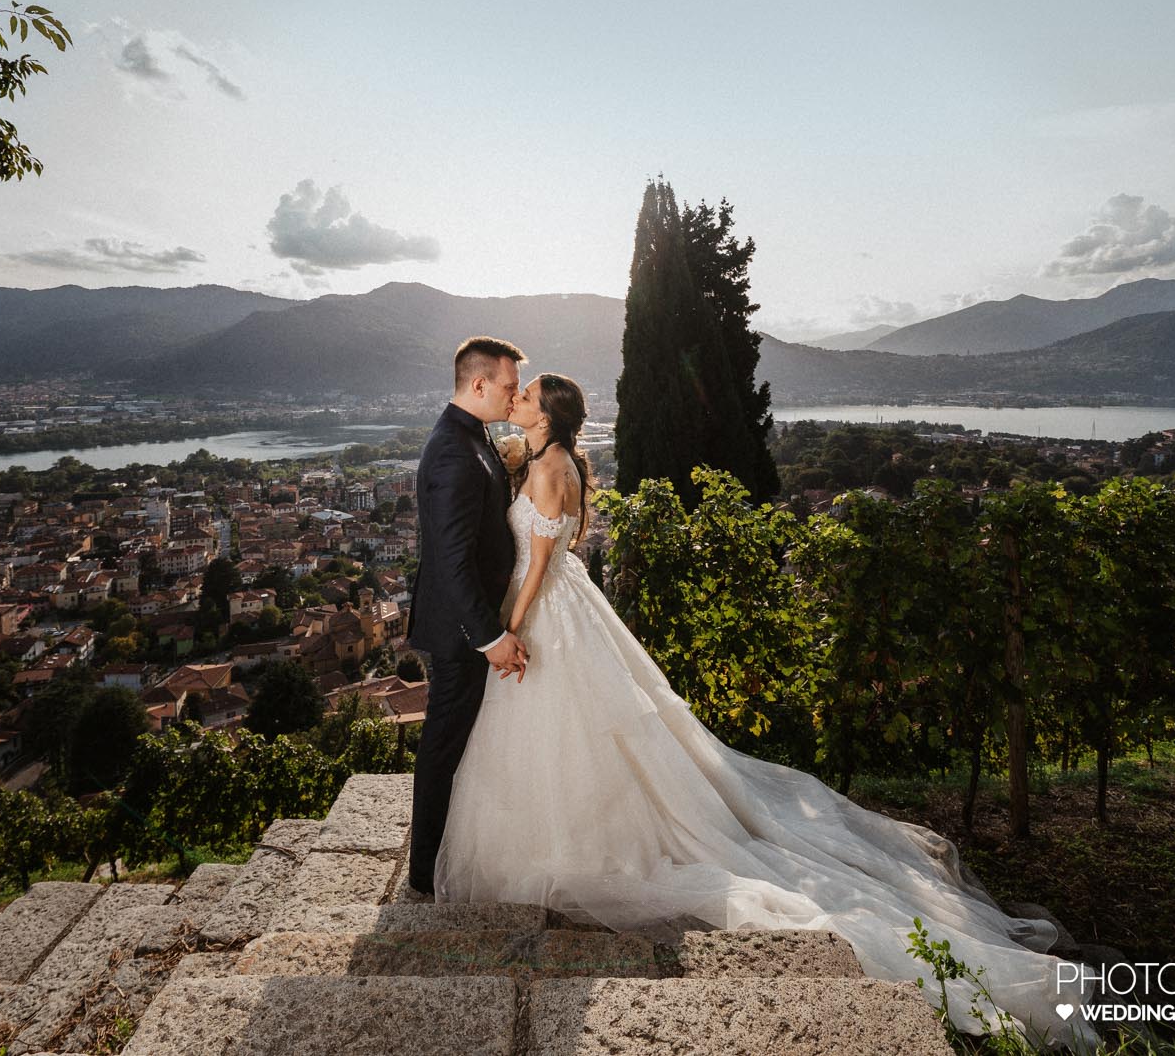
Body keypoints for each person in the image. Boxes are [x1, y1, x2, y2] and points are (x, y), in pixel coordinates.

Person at [434, 372, 1100, 1052]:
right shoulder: (547, 459)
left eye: (527, 394)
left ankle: (568, 842)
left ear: (547, 414)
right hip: (569, 610)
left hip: (545, 612)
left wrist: (508, 629)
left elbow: (541, 562)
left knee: (559, 734)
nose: (517, 398)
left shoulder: (550, 468)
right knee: (582, 739)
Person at [403, 335, 531, 898]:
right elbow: (452, 560)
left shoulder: (471, 435)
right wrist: (489, 637)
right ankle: (425, 872)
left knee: (460, 742)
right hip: (460, 634)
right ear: (478, 384)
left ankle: (452, 854)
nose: (515, 396)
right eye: (509, 386)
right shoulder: (454, 451)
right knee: (444, 745)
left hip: (466, 625)